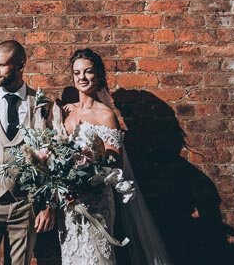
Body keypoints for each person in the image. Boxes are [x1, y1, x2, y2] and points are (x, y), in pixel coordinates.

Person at [60, 48, 173, 265]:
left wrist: (84, 181)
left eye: (88, 71)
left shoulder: (106, 115)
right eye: (77, 73)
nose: (82, 77)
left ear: (99, 75)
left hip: (96, 199)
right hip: (69, 202)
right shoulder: (65, 111)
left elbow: (114, 165)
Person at [0, 40, 57, 265]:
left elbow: (54, 157)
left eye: (2, 65)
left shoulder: (42, 105)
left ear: (20, 65)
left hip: (25, 205)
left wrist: (47, 203)